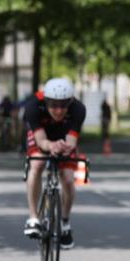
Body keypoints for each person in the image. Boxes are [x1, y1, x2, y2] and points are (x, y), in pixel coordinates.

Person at [23, 77, 86, 249]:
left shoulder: (78, 109)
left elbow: (71, 141)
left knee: (67, 178)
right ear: (45, 101)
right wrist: (50, 146)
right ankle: (33, 218)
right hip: (42, 135)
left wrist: (63, 148)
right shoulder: (33, 106)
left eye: (63, 106)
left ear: (70, 102)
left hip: (64, 137)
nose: (58, 110)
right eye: (53, 105)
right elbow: (41, 141)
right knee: (37, 164)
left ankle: (65, 222)